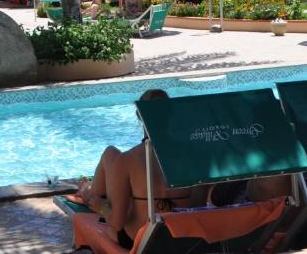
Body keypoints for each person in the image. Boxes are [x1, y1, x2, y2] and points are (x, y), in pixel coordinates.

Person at [70, 89, 207, 248]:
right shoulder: (195, 155)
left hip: (140, 240)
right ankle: (89, 191)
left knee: (110, 155)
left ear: (139, 116)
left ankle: (88, 193)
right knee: (111, 155)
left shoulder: (128, 159)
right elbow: (198, 206)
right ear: (170, 113)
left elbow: (117, 223)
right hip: (183, 238)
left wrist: (102, 207)